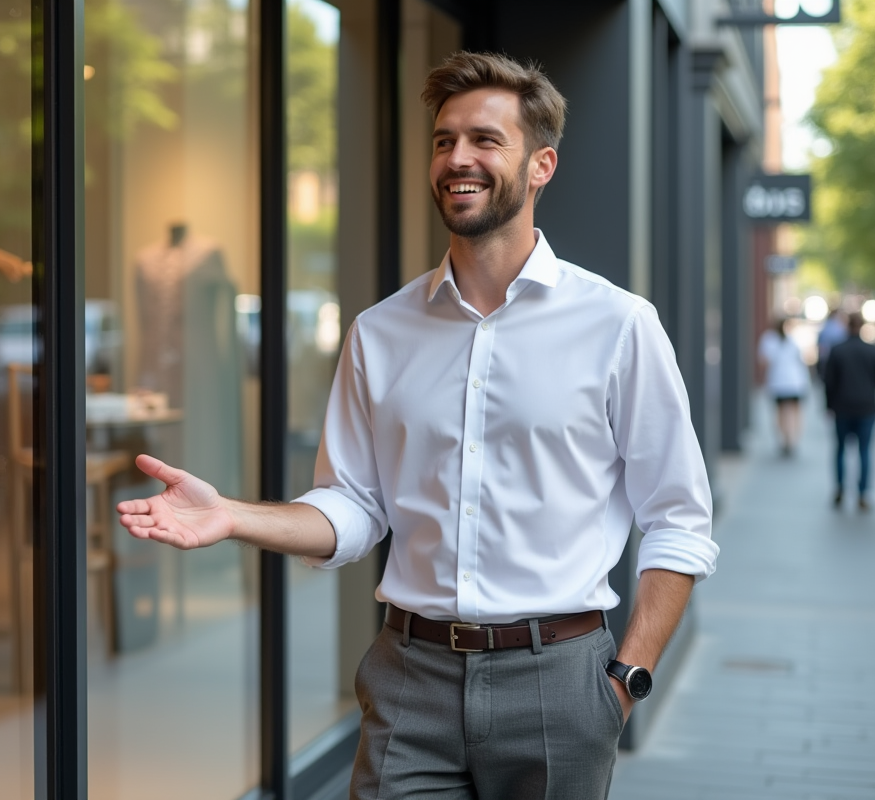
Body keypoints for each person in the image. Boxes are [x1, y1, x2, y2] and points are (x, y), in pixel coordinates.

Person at [118, 51, 718, 799]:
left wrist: (625, 681)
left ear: (542, 166)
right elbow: (355, 507)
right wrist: (232, 516)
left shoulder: (619, 326)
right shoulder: (380, 331)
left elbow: (679, 520)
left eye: (484, 140)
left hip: (557, 684)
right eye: (443, 140)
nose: (457, 158)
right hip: (410, 679)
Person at [823, 312, 875, 510]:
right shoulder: (872, 351)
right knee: (864, 450)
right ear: (862, 326)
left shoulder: (837, 350)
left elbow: (828, 382)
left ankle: (840, 489)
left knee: (840, 449)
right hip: (866, 408)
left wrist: (828, 406)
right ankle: (863, 493)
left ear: (847, 326)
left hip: (842, 407)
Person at [757, 317, 811, 457]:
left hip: (778, 382)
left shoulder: (768, 339)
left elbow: (764, 361)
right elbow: (802, 359)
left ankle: (784, 439)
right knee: (795, 412)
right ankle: (792, 439)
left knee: (780, 412)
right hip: (796, 382)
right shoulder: (794, 338)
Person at [817, 307, 848, 382]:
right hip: (835, 357)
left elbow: (820, 344)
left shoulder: (825, 326)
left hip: (826, 357)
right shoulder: (840, 328)